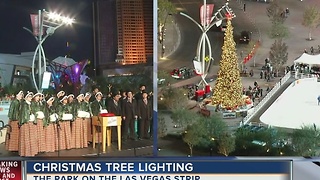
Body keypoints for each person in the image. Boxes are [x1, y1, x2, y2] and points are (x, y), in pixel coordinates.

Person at [19, 92, 38, 157]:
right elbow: (23, 114)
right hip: (26, 123)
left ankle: (31, 151)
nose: (31, 98)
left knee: (31, 137)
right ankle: (26, 152)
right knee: (26, 137)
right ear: (26, 97)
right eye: (29, 97)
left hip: (31, 122)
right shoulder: (24, 104)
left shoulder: (31, 104)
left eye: (31, 97)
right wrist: (29, 117)